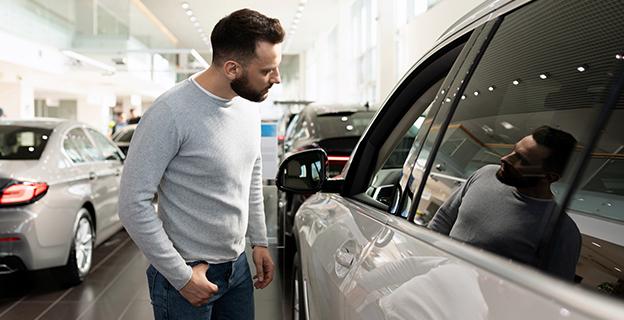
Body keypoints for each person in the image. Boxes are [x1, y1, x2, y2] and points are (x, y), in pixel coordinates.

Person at [119, 8, 283, 319]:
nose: (277, 78)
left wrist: (259, 240)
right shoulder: (170, 112)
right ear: (233, 68)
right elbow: (132, 204)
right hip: (186, 275)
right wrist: (181, 277)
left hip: (237, 270)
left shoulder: (248, 108)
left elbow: (251, 175)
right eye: (267, 71)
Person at [428, 125, 581, 281]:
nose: (505, 159)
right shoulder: (484, 174)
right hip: (434, 277)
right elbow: (442, 220)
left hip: (477, 302)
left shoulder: (562, 231)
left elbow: (552, 294)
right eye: (513, 150)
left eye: (522, 160)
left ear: (549, 177)